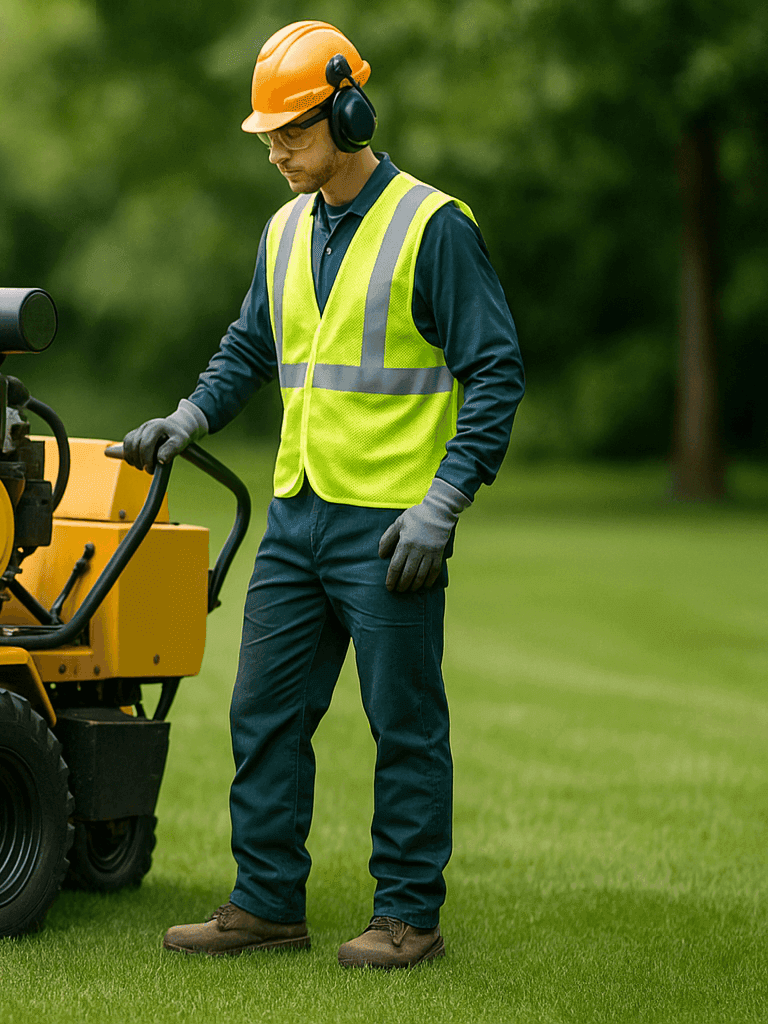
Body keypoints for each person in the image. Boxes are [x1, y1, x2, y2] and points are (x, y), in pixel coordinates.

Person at [124, 20, 524, 969]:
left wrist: (446, 501)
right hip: (298, 516)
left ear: (349, 114)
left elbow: (496, 370)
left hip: (393, 528)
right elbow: (251, 347)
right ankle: (265, 903)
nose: (275, 153)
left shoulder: (433, 228)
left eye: (292, 134)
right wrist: (189, 418)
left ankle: (407, 916)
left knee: (405, 725)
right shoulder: (283, 229)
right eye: (266, 137)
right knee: (262, 712)